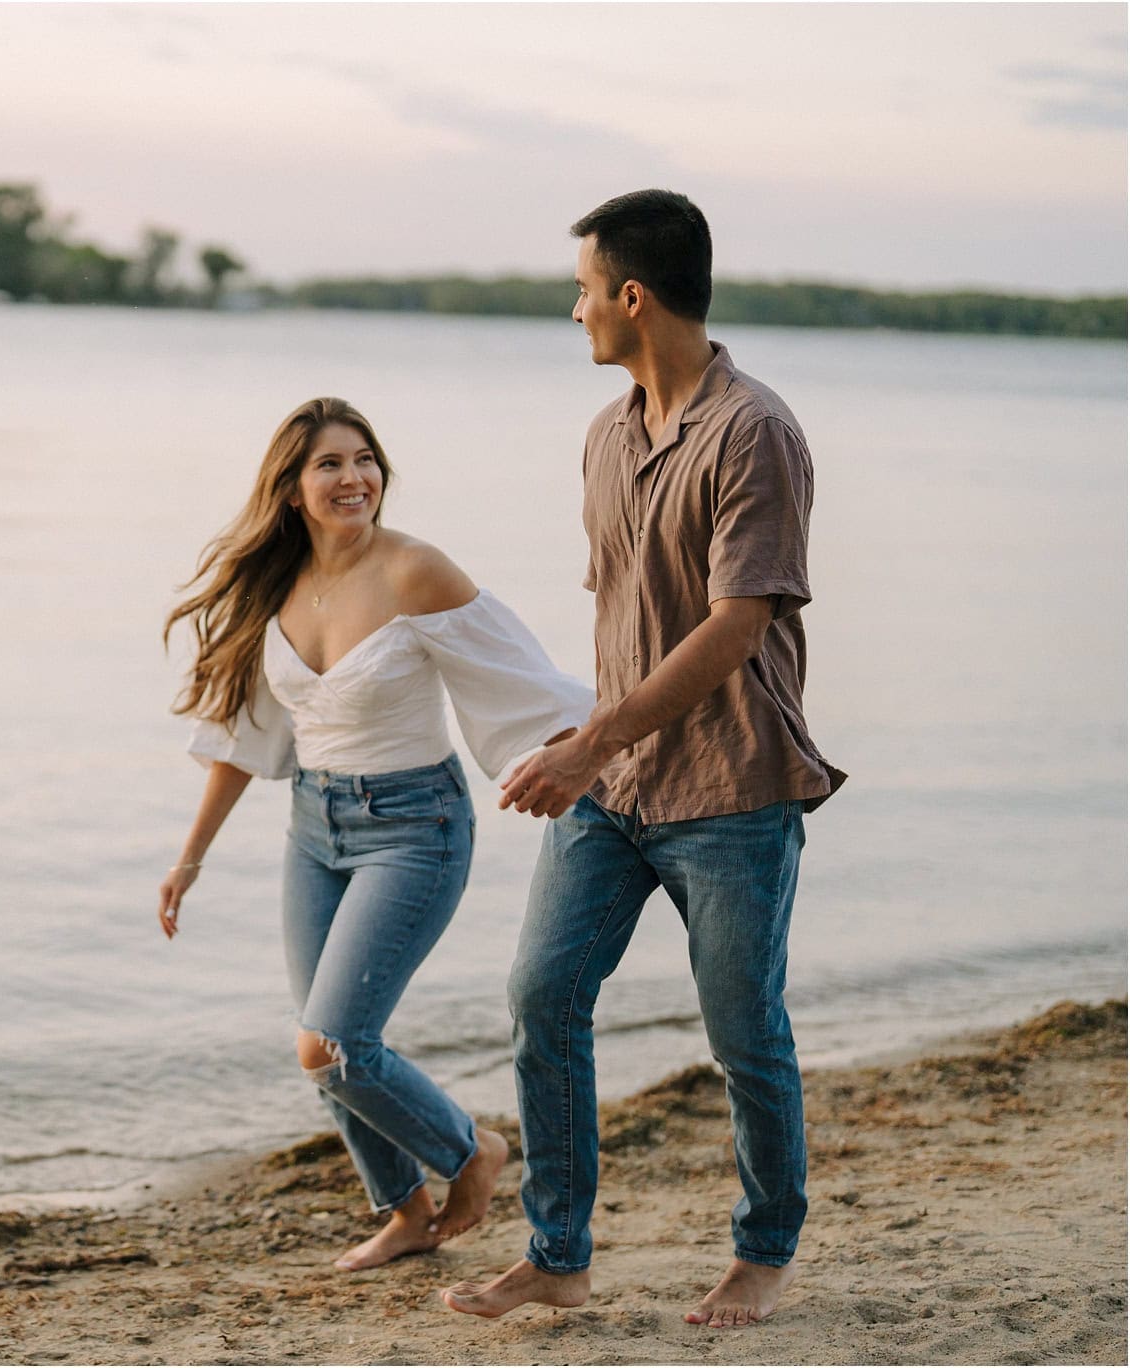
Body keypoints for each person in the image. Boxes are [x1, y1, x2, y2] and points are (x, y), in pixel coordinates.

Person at [443, 190, 846, 1328]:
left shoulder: (751, 431)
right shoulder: (606, 433)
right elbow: (619, 599)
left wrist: (590, 741)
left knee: (740, 1031)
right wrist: (566, 735)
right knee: (541, 994)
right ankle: (557, 1252)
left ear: (631, 296)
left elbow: (732, 624)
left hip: (729, 788)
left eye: (582, 290)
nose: (571, 312)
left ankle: (763, 1248)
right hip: (612, 788)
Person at [158, 397, 594, 1273]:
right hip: (314, 829)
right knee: (318, 1045)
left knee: (335, 1042)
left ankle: (473, 1152)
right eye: (329, 463)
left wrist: (596, 756)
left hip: (415, 829)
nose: (353, 477)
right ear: (290, 488)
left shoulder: (414, 572)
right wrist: (188, 859)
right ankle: (405, 1211)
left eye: (365, 459)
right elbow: (245, 737)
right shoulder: (274, 586)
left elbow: (519, 675)